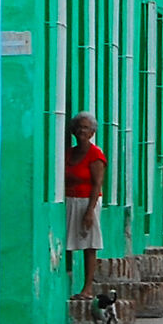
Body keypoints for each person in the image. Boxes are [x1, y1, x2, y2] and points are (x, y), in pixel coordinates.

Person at [65, 112, 107, 297]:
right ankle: (66, 281)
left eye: (86, 128)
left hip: (87, 202)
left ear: (92, 132)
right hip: (69, 200)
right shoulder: (69, 152)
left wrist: (89, 211)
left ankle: (87, 288)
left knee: (89, 244)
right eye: (79, 127)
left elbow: (97, 183)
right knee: (68, 240)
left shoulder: (95, 155)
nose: (81, 131)